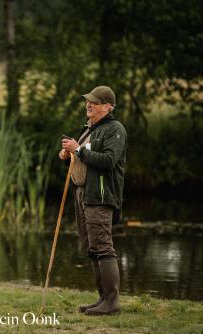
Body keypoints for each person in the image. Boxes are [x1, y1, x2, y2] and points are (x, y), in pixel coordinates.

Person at [59, 86, 127, 316]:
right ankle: (102, 300)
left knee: (103, 246)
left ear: (108, 107)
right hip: (83, 194)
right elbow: (85, 159)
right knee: (91, 247)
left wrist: (78, 149)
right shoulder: (89, 129)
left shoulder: (115, 129)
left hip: (100, 196)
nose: (89, 104)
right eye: (88, 101)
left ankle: (112, 302)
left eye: (95, 102)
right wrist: (70, 155)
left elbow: (108, 161)